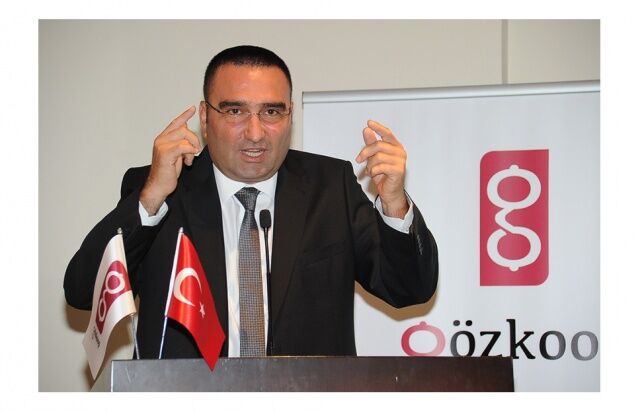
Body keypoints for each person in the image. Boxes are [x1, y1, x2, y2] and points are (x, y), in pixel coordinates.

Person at [64, 45, 438, 359]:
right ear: (205, 118)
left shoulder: (330, 187)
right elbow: (84, 294)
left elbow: (410, 289)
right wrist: (150, 198)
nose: (256, 133)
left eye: (271, 112)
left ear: (289, 115)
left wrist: (394, 202)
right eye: (235, 111)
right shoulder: (162, 189)